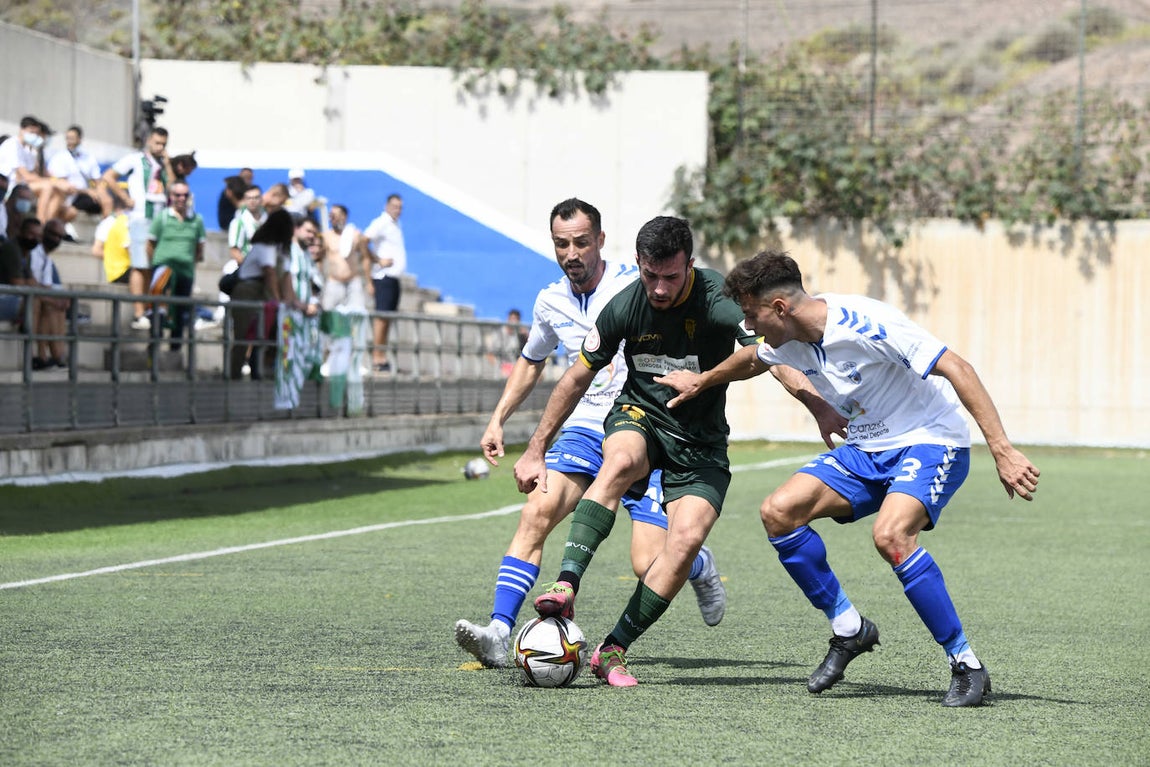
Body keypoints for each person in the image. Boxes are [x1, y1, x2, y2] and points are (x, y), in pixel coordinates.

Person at [659, 250, 1041, 707]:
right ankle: (849, 628)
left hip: (929, 440)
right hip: (865, 448)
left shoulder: (866, 324)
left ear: (779, 308)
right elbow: (753, 360)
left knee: (891, 535)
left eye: (751, 314)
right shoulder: (787, 336)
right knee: (779, 512)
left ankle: (966, 663)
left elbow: (958, 368)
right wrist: (703, 380)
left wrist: (1002, 449)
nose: (748, 324)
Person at [517, 216, 837, 687]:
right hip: (640, 416)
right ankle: (566, 584)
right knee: (619, 461)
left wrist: (819, 406)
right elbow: (576, 377)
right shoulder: (625, 306)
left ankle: (612, 650)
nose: (660, 288)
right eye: (650, 275)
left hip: (701, 442)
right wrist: (536, 447)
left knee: (684, 542)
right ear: (639, 264)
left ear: (690, 264)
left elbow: (770, 356)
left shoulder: (718, 300)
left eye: (670, 276)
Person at [454, 200, 729, 670]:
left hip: (649, 424)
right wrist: (500, 419)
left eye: (581, 242)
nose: (571, 253)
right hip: (585, 428)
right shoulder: (549, 301)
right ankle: (499, 632)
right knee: (536, 511)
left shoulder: (637, 283)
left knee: (649, 562)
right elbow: (533, 361)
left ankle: (696, 561)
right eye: (561, 244)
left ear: (600, 240)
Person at [102, 126, 172, 330]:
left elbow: (172, 187)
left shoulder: (164, 164)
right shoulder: (134, 159)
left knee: (154, 266)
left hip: (160, 220)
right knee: (139, 265)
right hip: (141, 217)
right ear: (149, 141)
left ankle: (150, 308)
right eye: (157, 143)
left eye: (164, 144)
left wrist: (168, 165)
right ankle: (139, 312)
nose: (160, 147)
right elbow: (109, 176)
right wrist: (124, 197)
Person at [229, 209, 293, 380]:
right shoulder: (264, 246)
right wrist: (278, 300)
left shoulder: (281, 251)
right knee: (243, 336)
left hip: (264, 294)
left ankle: (258, 371)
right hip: (248, 291)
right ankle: (233, 375)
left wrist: (289, 301)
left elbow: (285, 277)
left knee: (264, 335)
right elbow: (270, 273)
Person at [146, 181, 206, 352]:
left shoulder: (197, 220)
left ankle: (175, 348)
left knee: (181, 309)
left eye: (185, 195)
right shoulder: (163, 217)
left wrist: (189, 261)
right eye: (178, 195)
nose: (181, 198)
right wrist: (156, 263)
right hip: (164, 266)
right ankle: (154, 341)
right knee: (158, 300)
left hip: (185, 270)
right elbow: (150, 244)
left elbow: (199, 248)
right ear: (171, 197)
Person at [358, 193, 405, 372]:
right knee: (381, 318)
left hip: (393, 277)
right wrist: (377, 260)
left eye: (400, 207)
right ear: (386, 206)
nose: (397, 210)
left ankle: (382, 356)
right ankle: (377, 358)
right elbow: (363, 241)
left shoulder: (395, 224)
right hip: (383, 277)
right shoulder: (381, 222)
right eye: (394, 206)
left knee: (388, 318)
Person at [45, 125, 105, 222]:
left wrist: (100, 193)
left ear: (79, 139)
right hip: (66, 196)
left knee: (106, 201)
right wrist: (88, 191)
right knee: (70, 211)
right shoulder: (59, 157)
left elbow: (97, 180)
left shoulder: (88, 157)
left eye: (72, 138)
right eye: (68, 138)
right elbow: (64, 186)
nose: (70, 142)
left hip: (82, 196)